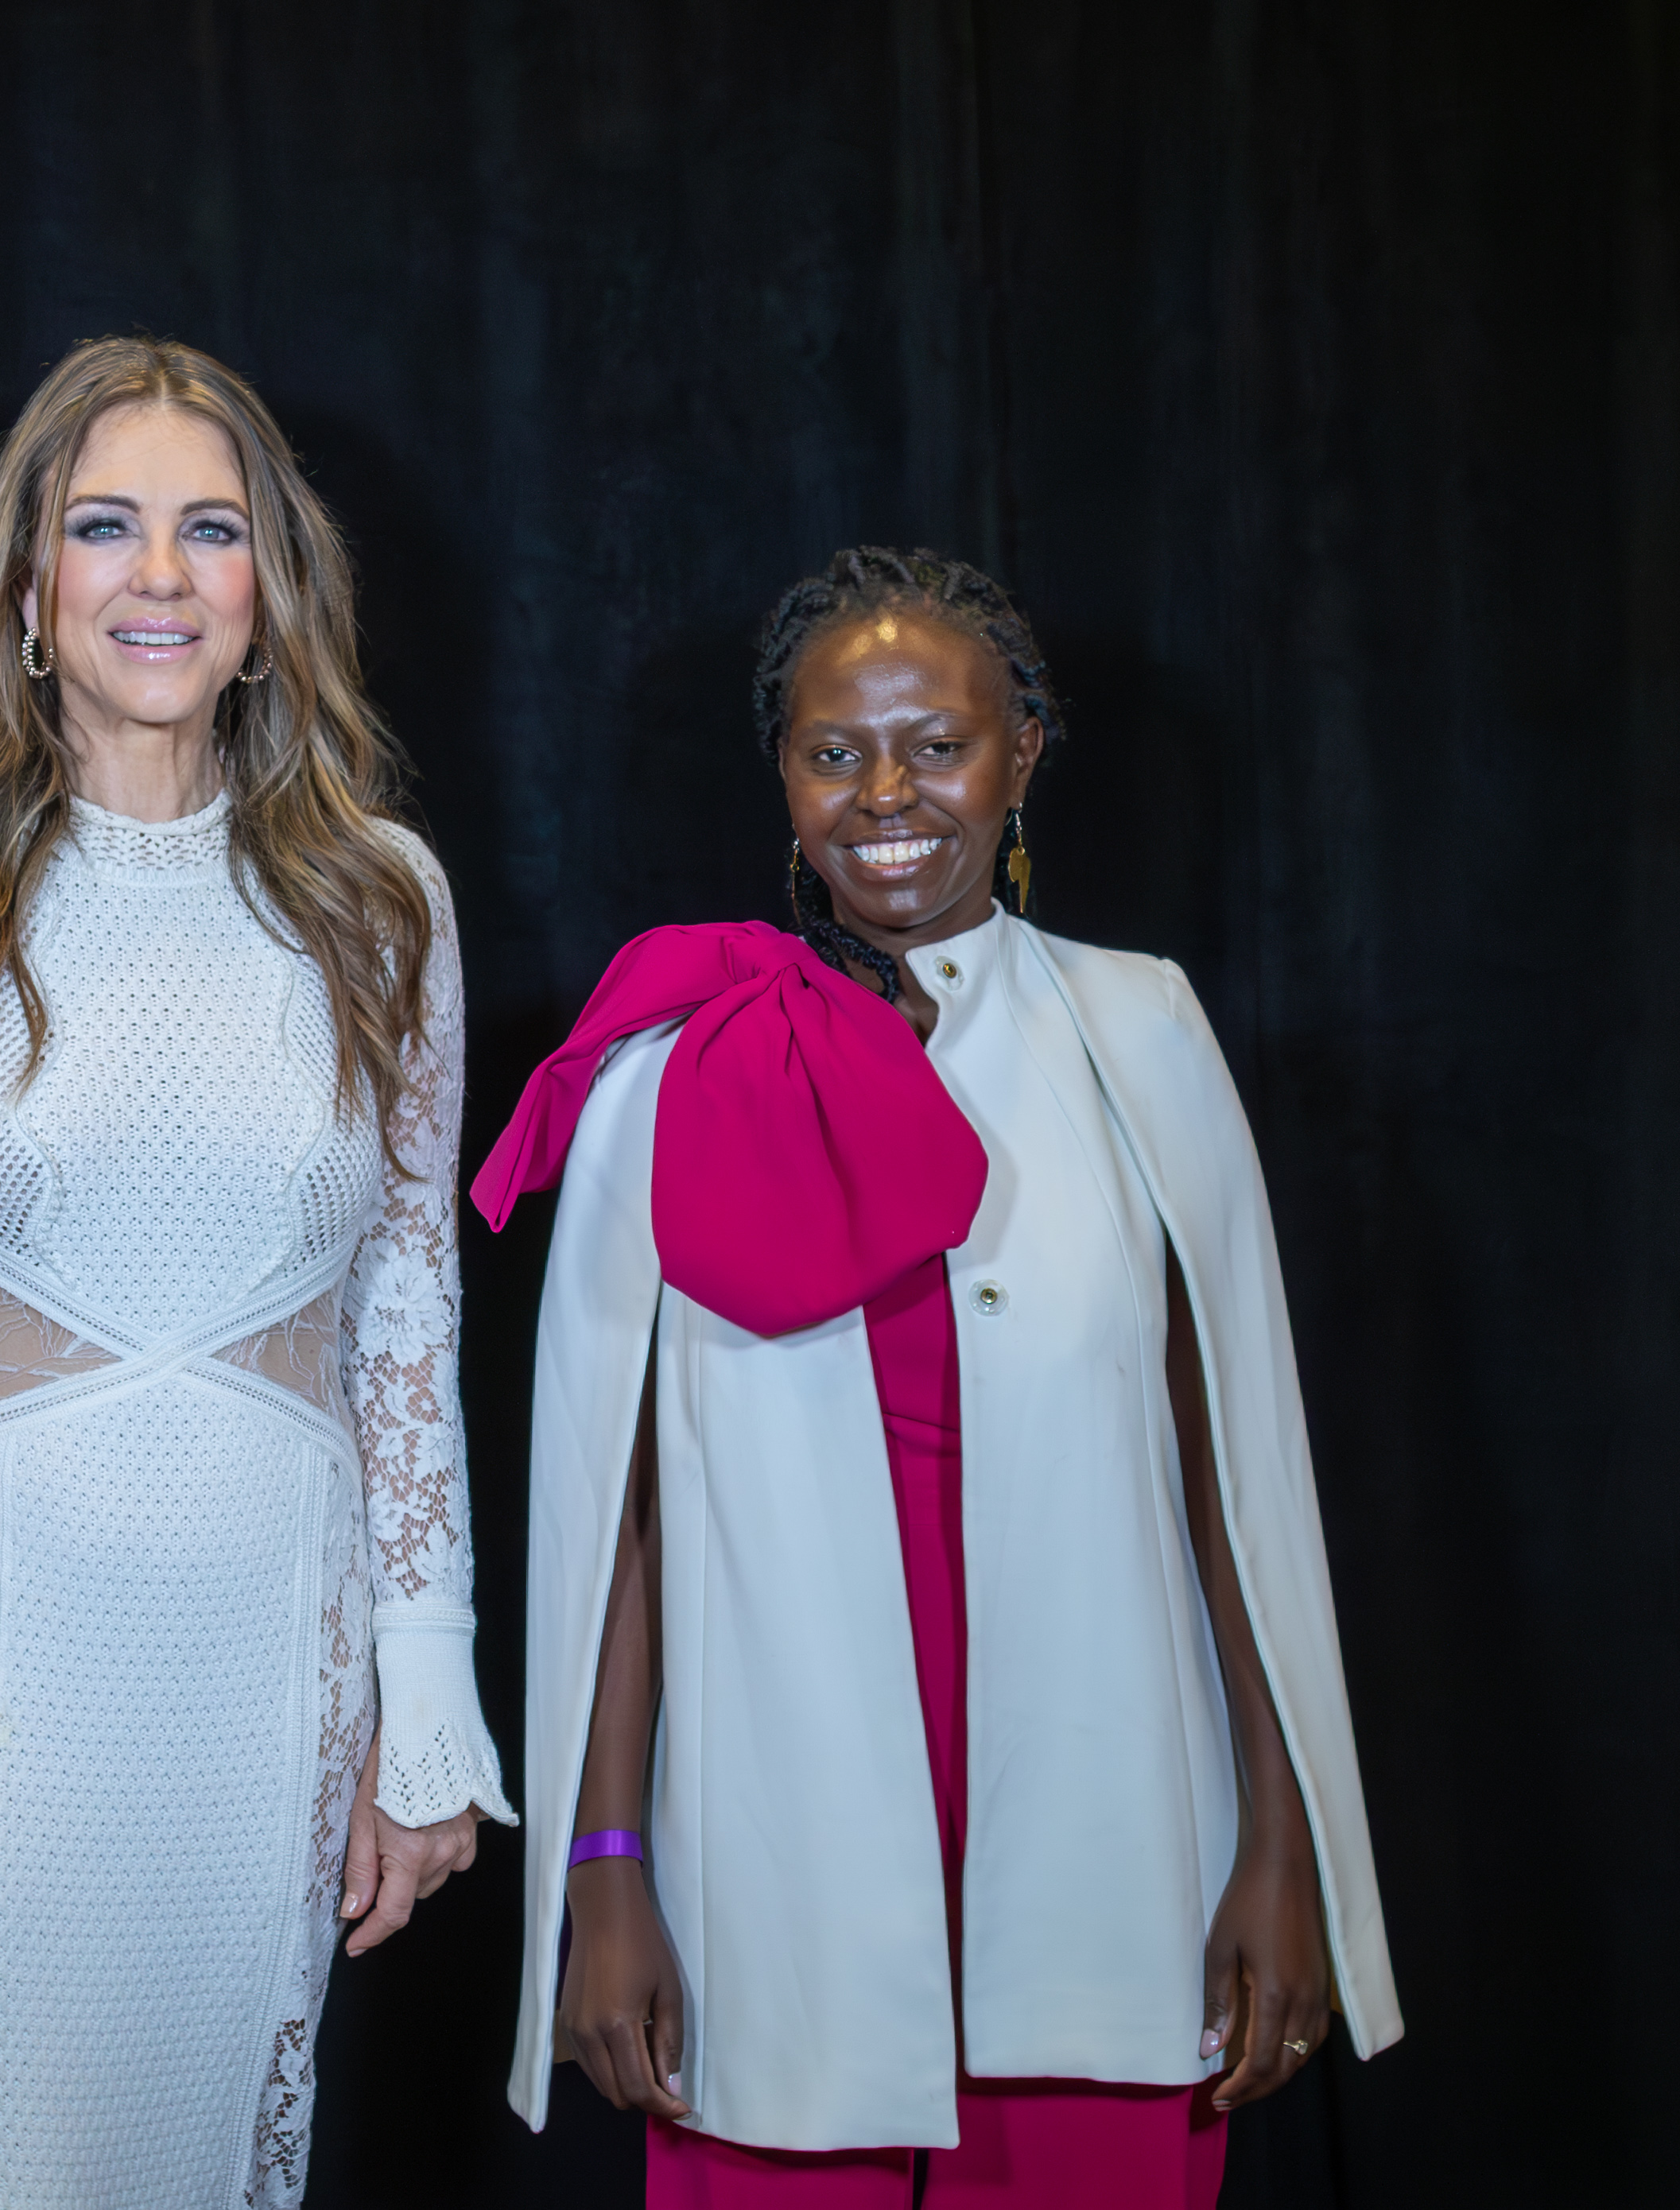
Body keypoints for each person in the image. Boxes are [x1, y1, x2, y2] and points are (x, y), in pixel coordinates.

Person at [0, 336, 515, 2209]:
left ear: (270, 589)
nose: (160, 576)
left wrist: (430, 1684)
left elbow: (405, 1312)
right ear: (30, 583)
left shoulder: (383, 898)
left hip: (269, 1670)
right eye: (106, 525)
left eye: (211, 530)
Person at [475, 549, 1401, 2205]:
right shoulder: (668, 1068)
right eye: (834, 751)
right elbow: (614, 1513)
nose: (886, 795)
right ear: (783, 775)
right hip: (776, 1848)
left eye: (939, 744)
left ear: (1022, 752)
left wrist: (1284, 1839)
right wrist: (603, 1866)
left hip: (1111, 1834)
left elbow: (1235, 1481)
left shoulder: (1143, 1033)